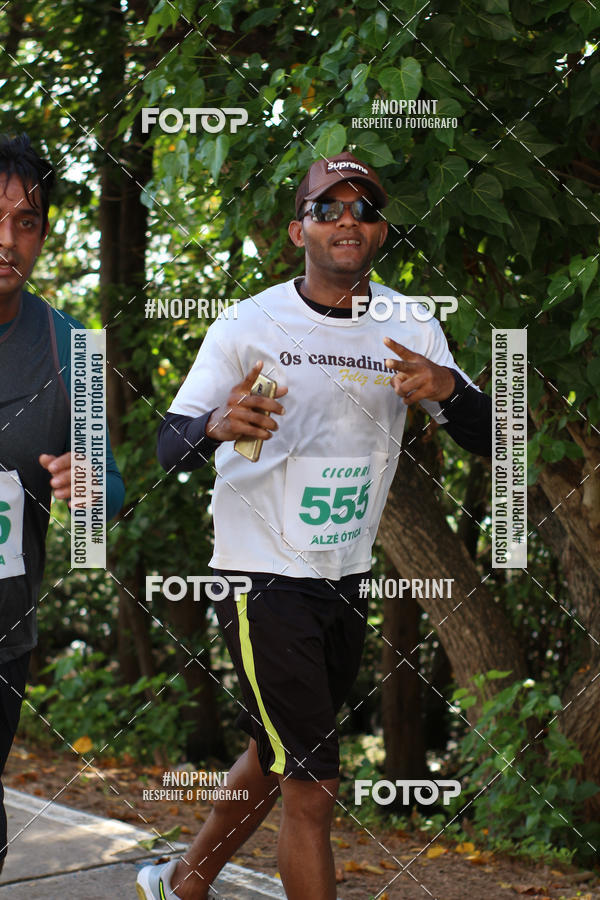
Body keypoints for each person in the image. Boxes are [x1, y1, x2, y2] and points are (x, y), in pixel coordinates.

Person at [145, 151, 491, 900]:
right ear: (298, 227)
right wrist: (213, 424)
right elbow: (165, 446)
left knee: (276, 756)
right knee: (314, 788)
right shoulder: (250, 322)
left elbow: (497, 437)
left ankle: (182, 883)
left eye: (364, 207)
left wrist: (449, 393)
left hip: (344, 575)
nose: (348, 220)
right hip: (261, 577)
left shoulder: (410, 322)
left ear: (381, 229)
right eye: (328, 207)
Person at [0, 133, 125, 873]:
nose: (8, 239)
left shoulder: (71, 348)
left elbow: (107, 492)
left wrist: (88, 488)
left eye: (27, 222)